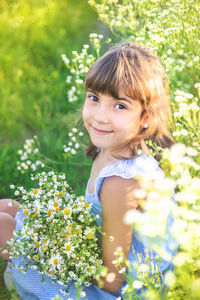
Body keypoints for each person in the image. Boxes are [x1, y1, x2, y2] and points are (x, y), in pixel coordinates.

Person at [0, 42, 177, 299]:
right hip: (97, 252)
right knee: (7, 209)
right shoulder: (111, 148)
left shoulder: (121, 182)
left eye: (120, 106)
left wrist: (56, 250)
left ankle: (27, 276)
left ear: (146, 117)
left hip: (117, 290)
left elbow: (112, 281)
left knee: (4, 227)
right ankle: (22, 268)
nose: (100, 116)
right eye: (94, 98)